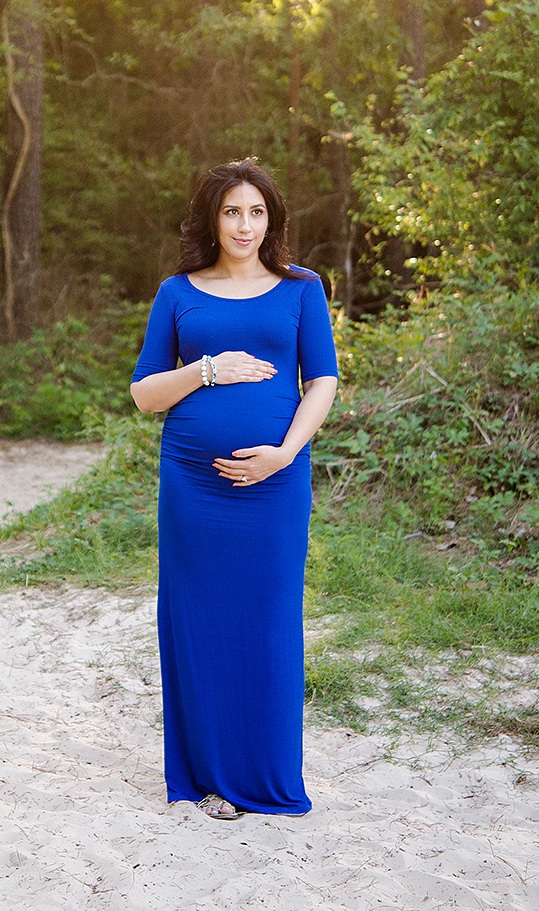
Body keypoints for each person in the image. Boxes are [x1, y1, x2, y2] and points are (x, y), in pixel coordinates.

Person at [129, 158, 339, 820]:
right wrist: (207, 369)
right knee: (198, 621)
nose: (244, 224)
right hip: (193, 487)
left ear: (271, 218)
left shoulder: (302, 289)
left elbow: (323, 381)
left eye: (255, 211)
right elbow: (143, 395)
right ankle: (206, 777)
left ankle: (267, 777)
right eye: (231, 212)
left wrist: (284, 454)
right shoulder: (177, 292)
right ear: (211, 220)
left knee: (270, 622)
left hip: (276, 488)